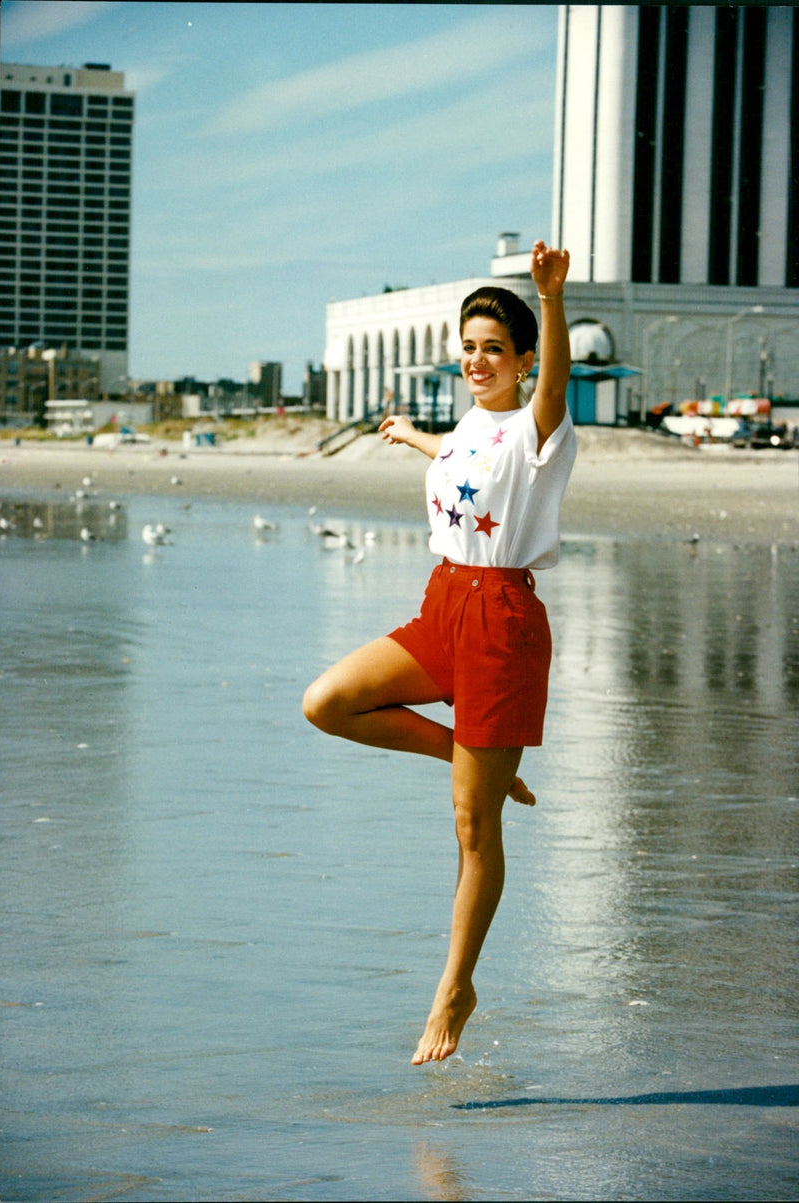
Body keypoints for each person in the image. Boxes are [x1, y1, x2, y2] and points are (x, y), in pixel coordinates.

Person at [302, 241, 576, 1065]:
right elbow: (461, 463)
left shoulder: (542, 427)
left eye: (495, 348)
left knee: (472, 824)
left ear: (524, 359)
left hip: (501, 621)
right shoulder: (468, 423)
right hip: (442, 603)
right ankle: (471, 753)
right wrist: (411, 435)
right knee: (328, 701)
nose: (478, 359)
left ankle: (455, 986)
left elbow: (549, 395)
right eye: (469, 346)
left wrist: (551, 299)